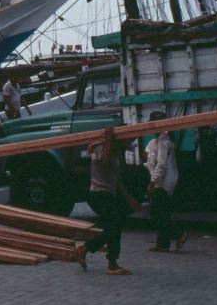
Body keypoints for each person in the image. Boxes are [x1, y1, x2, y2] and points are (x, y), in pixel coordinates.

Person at [79, 127, 143, 275]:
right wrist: (108, 139)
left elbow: (117, 180)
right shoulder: (101, 148)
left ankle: (85, 249)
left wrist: (130, 199)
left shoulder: (113, 151)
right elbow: (104, 160)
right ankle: (111, 264)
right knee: (114, 229)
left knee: (112, 229)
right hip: (100, 194)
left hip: (108, 194)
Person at [144, 111, 189, 252]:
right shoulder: (154, 143)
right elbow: (149, 158)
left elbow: (161, 165)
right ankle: (163, 244)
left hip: (163, 183)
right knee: (162, 212)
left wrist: (152, 183)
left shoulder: (164, 142)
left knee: (155, 212)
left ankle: (178, 234)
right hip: (159, 182)